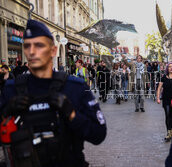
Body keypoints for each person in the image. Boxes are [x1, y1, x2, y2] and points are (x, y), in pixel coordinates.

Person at [0, 19, 106, 167]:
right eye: (27, 46)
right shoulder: (11, 89)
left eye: (39, 45)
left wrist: (72, 114)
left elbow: (98, 135)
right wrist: (6, 112)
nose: (32, 51)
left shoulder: (74, 87)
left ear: (53, 50)